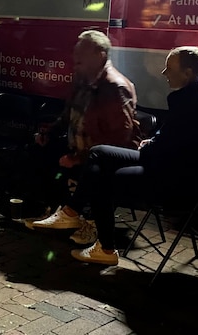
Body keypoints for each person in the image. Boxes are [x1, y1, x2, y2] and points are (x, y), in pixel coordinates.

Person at [31, 45, 198, 266]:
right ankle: (74, 215)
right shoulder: (194, 98)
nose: (164, 73)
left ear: (187, 73)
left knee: (102, 176)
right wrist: (152, 141)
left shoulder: (193, 105)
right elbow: (172, 138)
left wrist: (151, 146)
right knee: (98, 154)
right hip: (164, 162)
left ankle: (101, 243)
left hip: (173, 178)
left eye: (169, 68)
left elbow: (176, 148)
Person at [25, 30, 141, 244]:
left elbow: (120, 139)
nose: (75, 55)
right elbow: (69, 114)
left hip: (98, 155)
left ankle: (88, 222)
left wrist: (79, 158)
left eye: (82, 51)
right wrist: (48, 132)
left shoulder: (114, 87)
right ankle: (56, 210)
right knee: (37, 151)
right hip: (78, 145)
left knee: (88, 170)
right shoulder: (82, 79)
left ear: (100, 54)